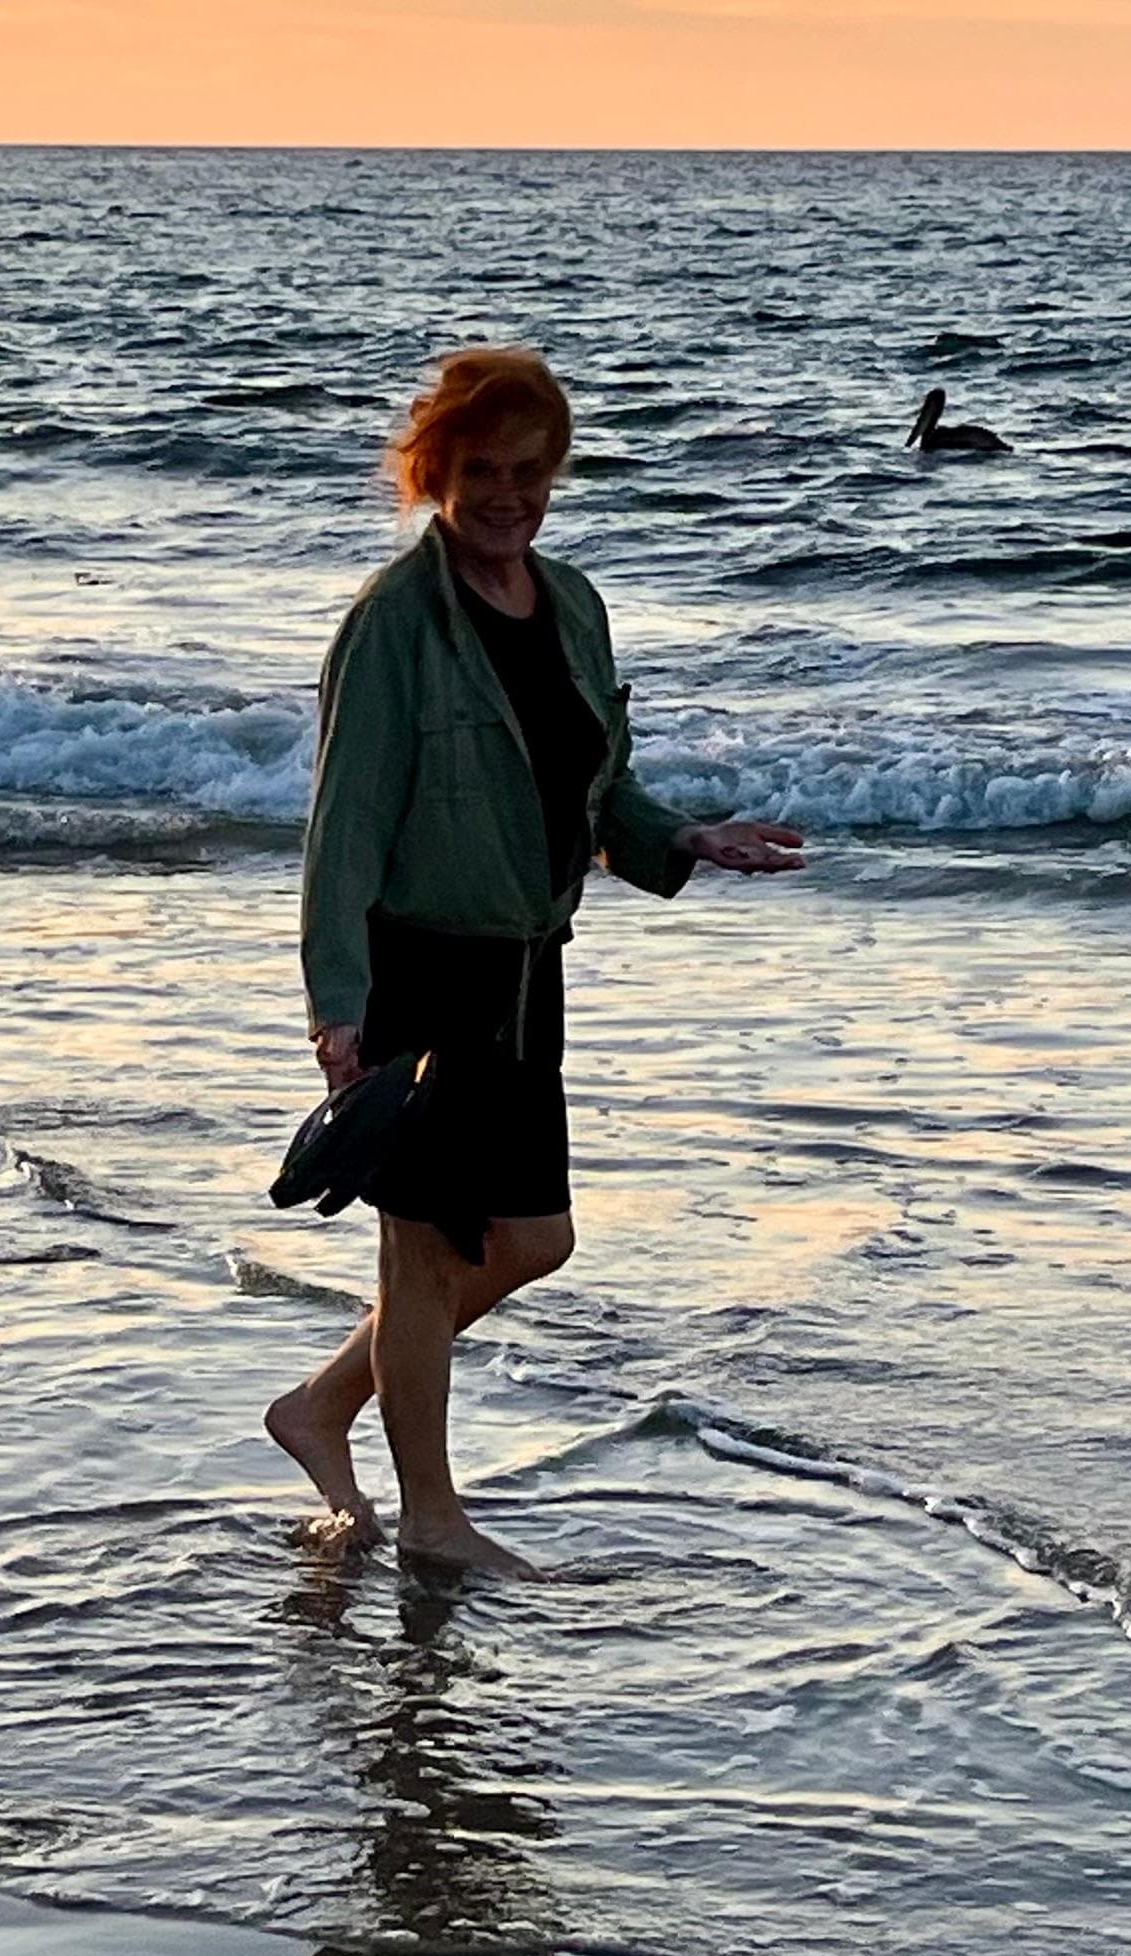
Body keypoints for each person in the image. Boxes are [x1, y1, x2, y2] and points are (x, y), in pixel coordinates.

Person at [263, 347, 804, 1578]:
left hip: (521, 966)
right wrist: (336, 1006)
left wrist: (684, 837)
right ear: (432, 476)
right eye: (480, 472)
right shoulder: (392, 625)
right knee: (422, 1256)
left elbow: (596, 787)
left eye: (528, 472)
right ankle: (431, 1520)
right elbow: (341, 827)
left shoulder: (568, 603)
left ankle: (318, 1406)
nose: (507, 495)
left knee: (531, 1240)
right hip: (416, 970)